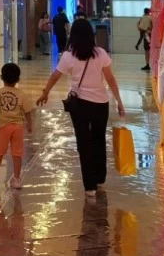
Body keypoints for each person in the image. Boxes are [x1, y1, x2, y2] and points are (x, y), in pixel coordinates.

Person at [37, 19, 126, 196]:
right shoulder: (100, 54)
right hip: (100, 103)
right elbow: (110, 79)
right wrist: (119, 102)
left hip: (79, 105)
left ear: (73, 35)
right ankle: (99, 177)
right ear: (91, 34)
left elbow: (55, 76)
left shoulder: (68, 56)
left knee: (83, 142)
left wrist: (45, 92)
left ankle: (89, 186)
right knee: (99, 139)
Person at [0, 62, 33, 190]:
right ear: (18, 80)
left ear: (1, 77)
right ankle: (17, 179)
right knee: (17, 154)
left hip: (3, 127)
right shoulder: (22, 95)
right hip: (18, 127)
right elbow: (27, 112)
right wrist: (29, 125)